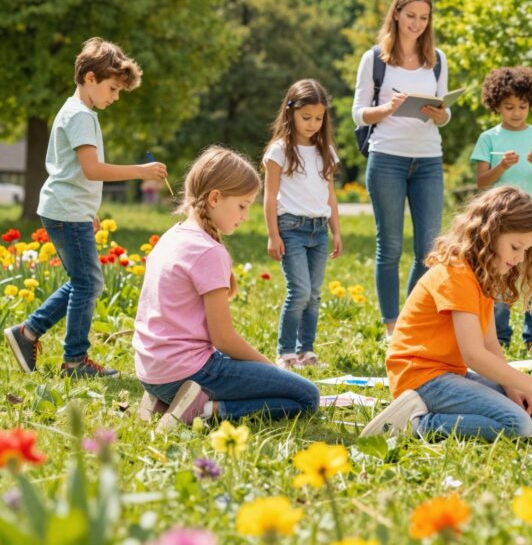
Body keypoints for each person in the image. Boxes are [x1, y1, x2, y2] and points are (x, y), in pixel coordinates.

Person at [4, 38, 166, 377]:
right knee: (88, 283)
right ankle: (74, 360)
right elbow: (92, 169)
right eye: (112, 88)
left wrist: (89, 211)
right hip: (65, 211)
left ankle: (27, 333)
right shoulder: (80, 116)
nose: (115, 97)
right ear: (90, 78)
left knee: (84, 281)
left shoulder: (78, 112)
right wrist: (140, 171)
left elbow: (75, 173)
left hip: (67, 209)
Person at [361, 186, 532, 440]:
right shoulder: (458, 273)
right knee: (516, 424)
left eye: (526, 250)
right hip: (420, 378)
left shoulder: (484, 274)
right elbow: (473, 355)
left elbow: (490, 343)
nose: (520, 258)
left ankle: (433, 414)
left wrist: (513, 386)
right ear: (491, 234)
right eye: (515, 247)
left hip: (449, 374)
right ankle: (416, 423)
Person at [132, 146, 319, 431]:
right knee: (308, 396)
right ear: (215, 198)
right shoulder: (208, 251)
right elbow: (224, 339)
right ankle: (205, 410)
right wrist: (269, 368)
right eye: (243, 205)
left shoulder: (172, 236)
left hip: (151, 371)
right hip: (187, 372)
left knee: (273, 383)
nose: (245, 215)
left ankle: (163, 402)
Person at [352, 0, 449, 339]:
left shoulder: (437, 60)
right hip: (387, 157)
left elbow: (443, 109)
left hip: (428, 160)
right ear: (396, 13)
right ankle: (392, 327)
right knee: (389, 245)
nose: (417, 24)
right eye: (411, 16)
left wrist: (441, 116)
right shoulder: (375, 59)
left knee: (428, 249)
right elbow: (358, 113)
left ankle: (411, 320)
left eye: (424, 18)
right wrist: (387, 108)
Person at [470, 66, 532, 352]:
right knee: (497, 281)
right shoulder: (489, 138)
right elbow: (482, 182)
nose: (517, 112)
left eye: (522, 106)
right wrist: (502, 167)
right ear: (496, 105)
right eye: (509, 107)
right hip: (499, 224)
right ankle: (501, 337)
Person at [264, 79, 342, 369]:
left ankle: (306, 352)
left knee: (315, 294)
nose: (312, 124)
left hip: (319, 230)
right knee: (300, 292)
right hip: (291, 229)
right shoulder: (279, 151)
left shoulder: (326, 152)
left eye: (319, 118)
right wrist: (273, 235)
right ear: (290, 112)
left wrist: (336, 231)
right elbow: (270, 196)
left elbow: (330, 195)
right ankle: (285, 353)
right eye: (306, 117)